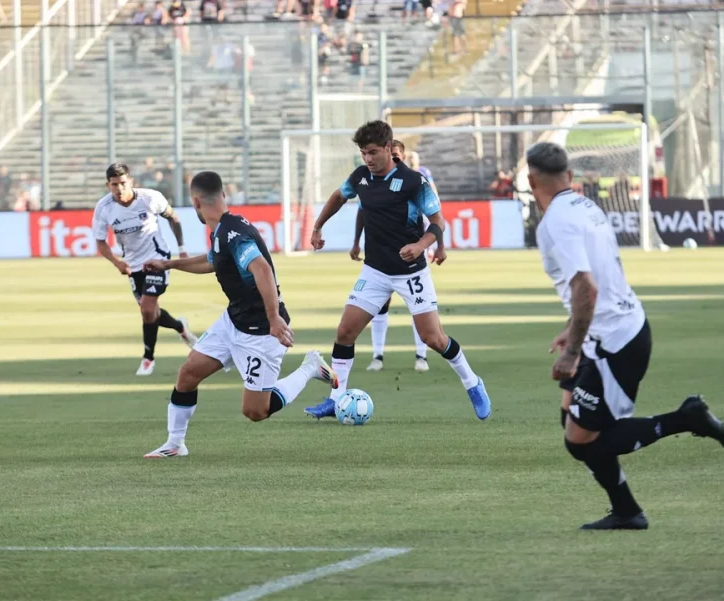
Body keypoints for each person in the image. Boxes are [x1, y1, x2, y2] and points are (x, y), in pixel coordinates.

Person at [528, 142, 724, 530]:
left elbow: (587, 287)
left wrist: (572, 351)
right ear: (570, 177)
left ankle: (685, 418)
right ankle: (627, 511)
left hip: (615, 342)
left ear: (529, 181)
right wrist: (573, 329)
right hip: (607, 329)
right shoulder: (586, 206)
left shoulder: (554, 223)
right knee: (569, 416)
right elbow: (596, 282)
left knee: (579, 441)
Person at [141, 171, 338, 458]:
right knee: (188, 373)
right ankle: (175, 444)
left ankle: (310, 367)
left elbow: (261, 268)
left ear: (195, 201)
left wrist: (273, 318)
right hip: (233, 320)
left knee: (255, 411)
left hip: (261, 330)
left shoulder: (234, 232)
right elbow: (211, 262)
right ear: (223, 195)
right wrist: (168, 264)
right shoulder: (223, 230)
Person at [305, 120, 491, 420]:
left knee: (433, 338)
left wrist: (421, 246)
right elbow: (340, 196)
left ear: (390, 149)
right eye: (364, 152)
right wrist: (317, 225)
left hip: (411, 272)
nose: (368, 158)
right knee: (345, 332)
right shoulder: (361, 176)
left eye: (373, 152)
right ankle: (335, 398)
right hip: (375, 271)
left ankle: (473, 383)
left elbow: (439, 223)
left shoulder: (413, 182)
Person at [92, 163, 197, 376]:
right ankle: (180, 327)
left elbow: (173, 217)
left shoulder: (150, 198)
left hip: (157, 258)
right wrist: (117, 262)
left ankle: (148, 359)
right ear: (108, 185)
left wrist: (182, 249)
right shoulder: (104, 208)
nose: (119, 189)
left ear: (131, 181)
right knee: (150, 312)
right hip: (132, 264)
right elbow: (100, 242)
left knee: (148, 309)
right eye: (114, 185)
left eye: (122, 183)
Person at [351, 139, 437, 373]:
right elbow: (362, 212)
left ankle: (421, 356)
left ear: (403, 156)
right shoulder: (372, 182)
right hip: (380, 256)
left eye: (398, 157)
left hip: (412, 253)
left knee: (418, 308)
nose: (395, 160)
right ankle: (377, 356)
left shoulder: (415, 182)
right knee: (380, 306)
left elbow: (435, 218)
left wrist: (436, 246)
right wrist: (356, 242)